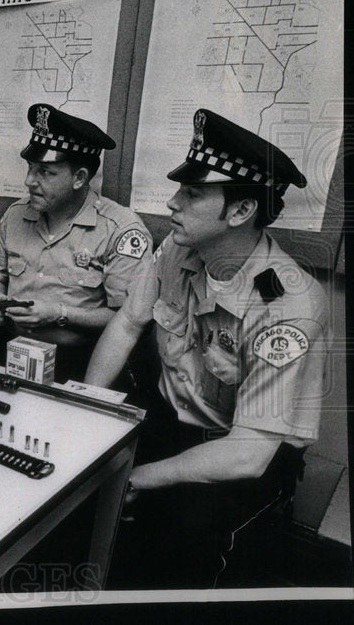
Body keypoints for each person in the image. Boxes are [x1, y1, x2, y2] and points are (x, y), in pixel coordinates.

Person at [84, 109, 327, 588]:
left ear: (240, 212)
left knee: (186, 535)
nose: (172, 203)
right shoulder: (177, 249)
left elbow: (248, 454)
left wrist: (136, 479)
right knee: (78, 478)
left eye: (192, 193)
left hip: (243, 447)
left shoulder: (288, 303)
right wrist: (87, 406)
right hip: (173, 415)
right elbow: (128, 322)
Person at [0, 104, 152, 381]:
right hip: (10, 352)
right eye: (30, 168)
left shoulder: (120, 231)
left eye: (45, 172)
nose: (29, 181)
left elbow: (127, 319)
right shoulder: (14, 217)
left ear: (79, 178)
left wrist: (58, 314)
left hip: (79, 363)